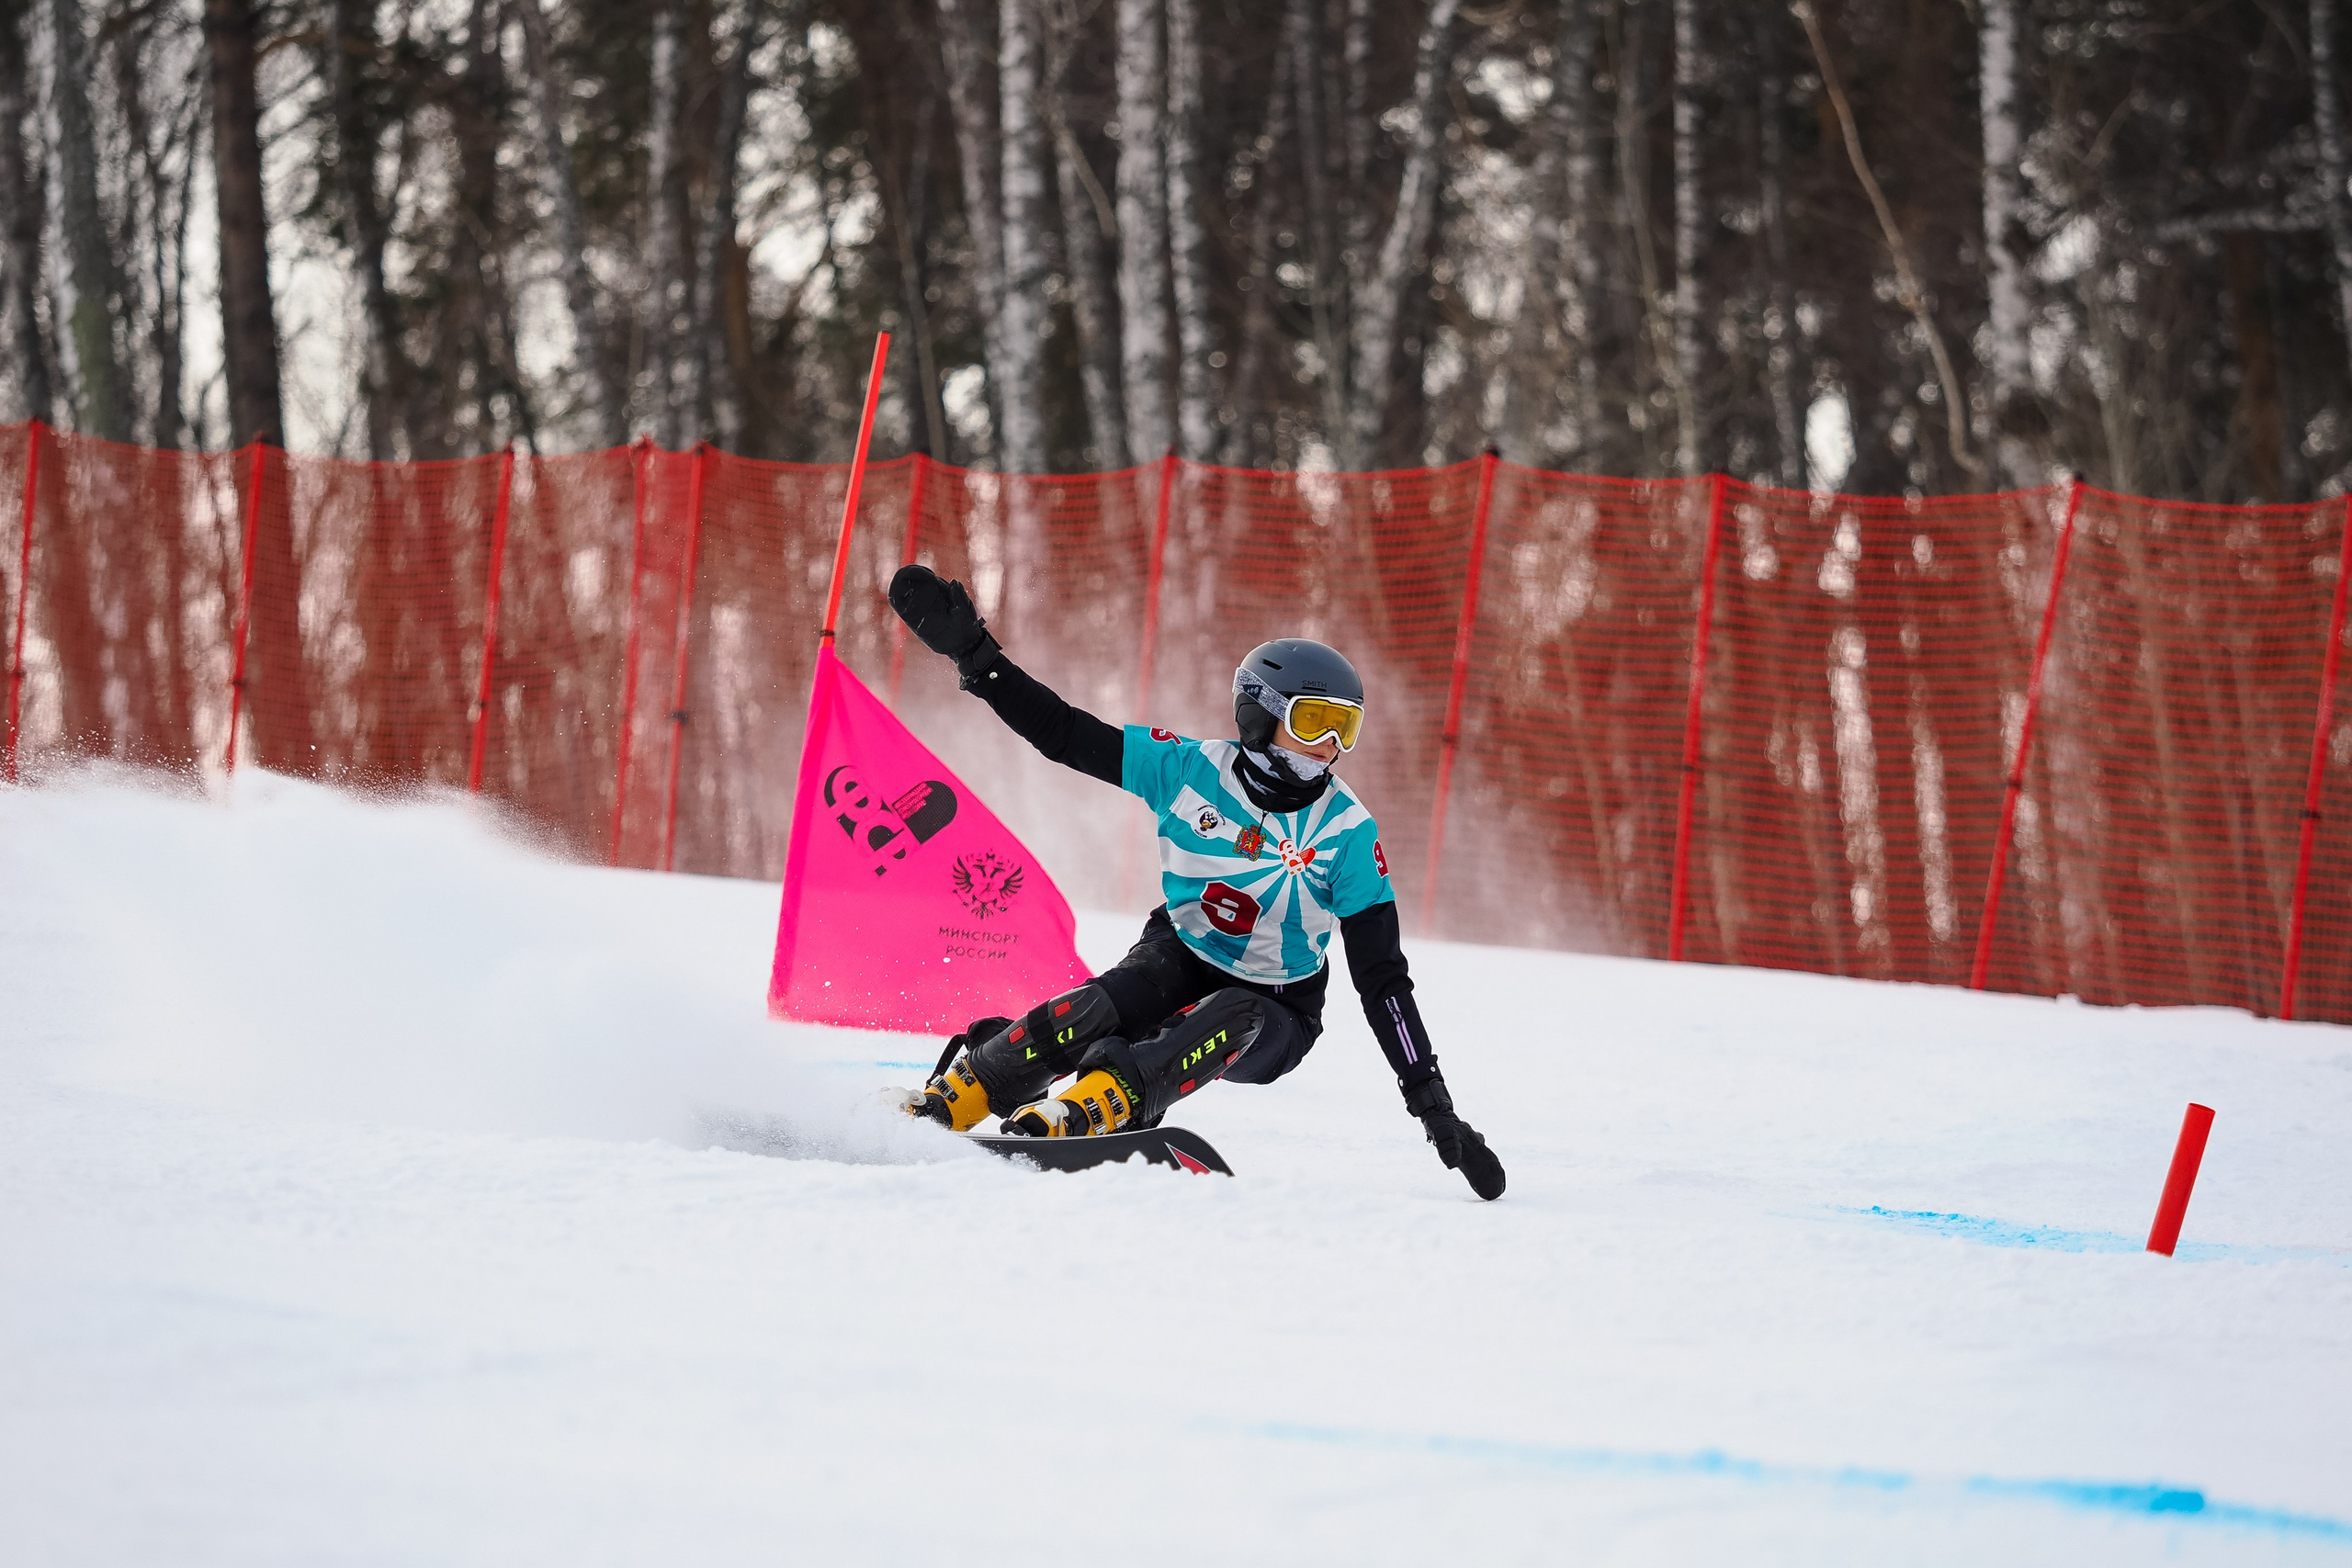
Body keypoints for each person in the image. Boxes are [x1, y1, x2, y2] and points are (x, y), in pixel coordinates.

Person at [888, 564, 1507, 1201]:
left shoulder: (1349, 833)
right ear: (1260, 714)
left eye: (1343, 728)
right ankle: (963, 1093)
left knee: (1228, 1014)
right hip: (1180, 954)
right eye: (1315, 720)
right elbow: (1066, 734)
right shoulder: (1188, 769)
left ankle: (1099, 1103)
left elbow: (1384, 981)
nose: (1328, 746)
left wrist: (1431, 1100)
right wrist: (977, 657)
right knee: (1092, 1009)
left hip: (1278, 1009)